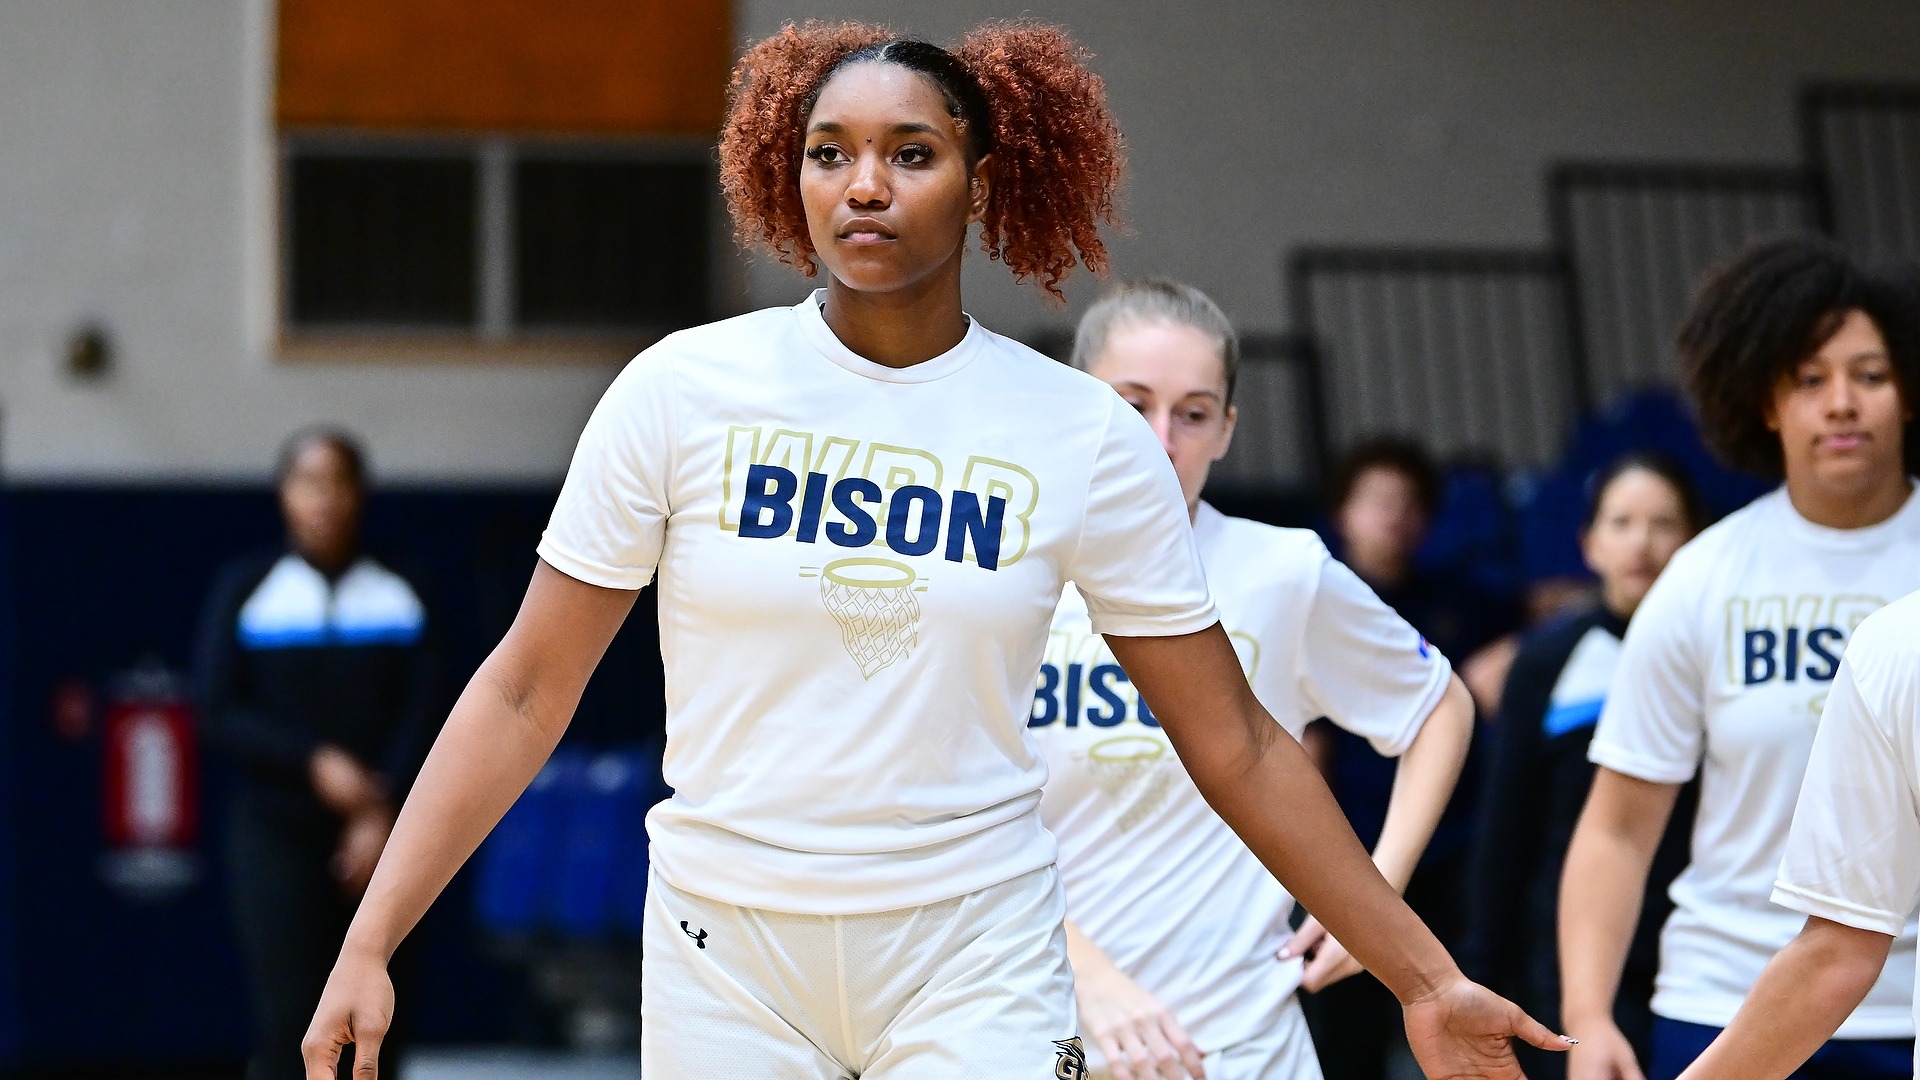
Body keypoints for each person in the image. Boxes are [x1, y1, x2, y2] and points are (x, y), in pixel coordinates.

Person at [299, 22, 1566, 1080]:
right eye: (829, 153)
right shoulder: (680, 390)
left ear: (982, 174)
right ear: (782, 178)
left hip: (975, 945)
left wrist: (1425, 978)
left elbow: (1231, 739)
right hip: (725, 945)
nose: (865, 185)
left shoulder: (1077, 432)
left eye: (910, 153)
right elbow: (526, 689)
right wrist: (373, 940)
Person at [1037, 279, 1477, 1080]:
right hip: (1037, 1030)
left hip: (1243, 1047)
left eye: (1194, 412)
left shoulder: (1284, 573)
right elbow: (943, 820)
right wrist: (1086, 974)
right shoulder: (1003, 574)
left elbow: (1440, 704)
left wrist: (1373, 898)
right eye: (1132, 404)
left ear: (1227, 429)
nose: (1161, 438)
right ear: (1076, 402)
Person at [1557, 235, 1920, 1080]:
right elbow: (1617, 826)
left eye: (1870, 375)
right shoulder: (1703, 576)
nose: (1841, 403)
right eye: (1809, 379)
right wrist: (1586, 1012)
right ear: (1763, 401)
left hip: (1906, 1009)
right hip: (1726, 1006)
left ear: (1909, 394)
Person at [195, 428, 437, 1080]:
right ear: (284, 495)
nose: (322, 499)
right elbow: (217, 709)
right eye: (308, 481)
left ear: (360, 494)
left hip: (389, 838)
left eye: (337, 482)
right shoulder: (248, 589)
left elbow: (434, 710)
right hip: (276, 833)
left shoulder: (404, 589)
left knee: (379, 1024)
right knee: (290, 1018)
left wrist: (380, 811)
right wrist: (313, 761)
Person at [1465, 454, 1705, 1080]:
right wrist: (1482, 976)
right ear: (1589, 544)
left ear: (1696, 542)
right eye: (1621, 523)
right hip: (1572, 960)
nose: (1642, 543)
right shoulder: (1549, 658)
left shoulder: (1720, 654)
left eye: (1663, 523)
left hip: (1701, 954)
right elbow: (1506, 829)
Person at [1306, 438, 1528, 1080]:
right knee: (1349, 1025)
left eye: (1406, 505)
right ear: (1342, 513)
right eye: (1377, 502)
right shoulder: (1314, 597)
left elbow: (1544, 618)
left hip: (1451, 844)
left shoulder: (1465, 602)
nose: (1392, 518)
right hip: (1349, 844)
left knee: (1461, 1005)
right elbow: (1304, 743)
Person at [1674, 588, 1920, 1080]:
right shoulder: (1898, 645)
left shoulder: (1899, 644)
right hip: (1711, 974)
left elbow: (1840, 949)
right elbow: (1840, 948)